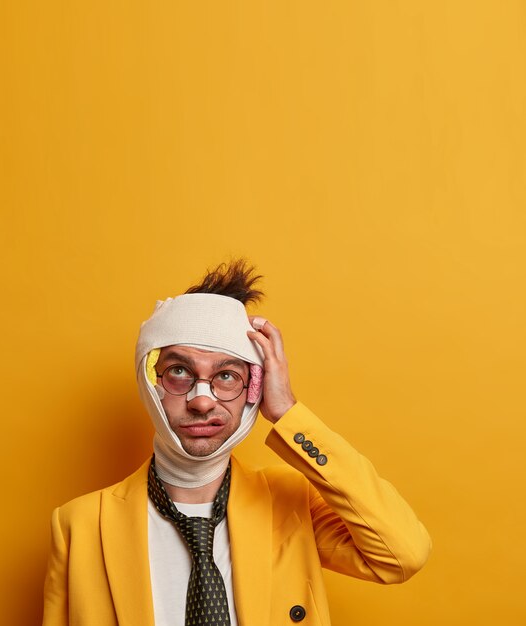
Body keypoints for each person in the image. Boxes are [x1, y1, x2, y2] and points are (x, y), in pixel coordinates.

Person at [42, 260, 431, 626]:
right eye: (179, 371)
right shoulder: (79, 524)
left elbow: (402, 555)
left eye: (227, 376)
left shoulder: (291, 505)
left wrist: (287, 413)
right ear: (150, 382)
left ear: (253, 389)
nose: (202, 399)